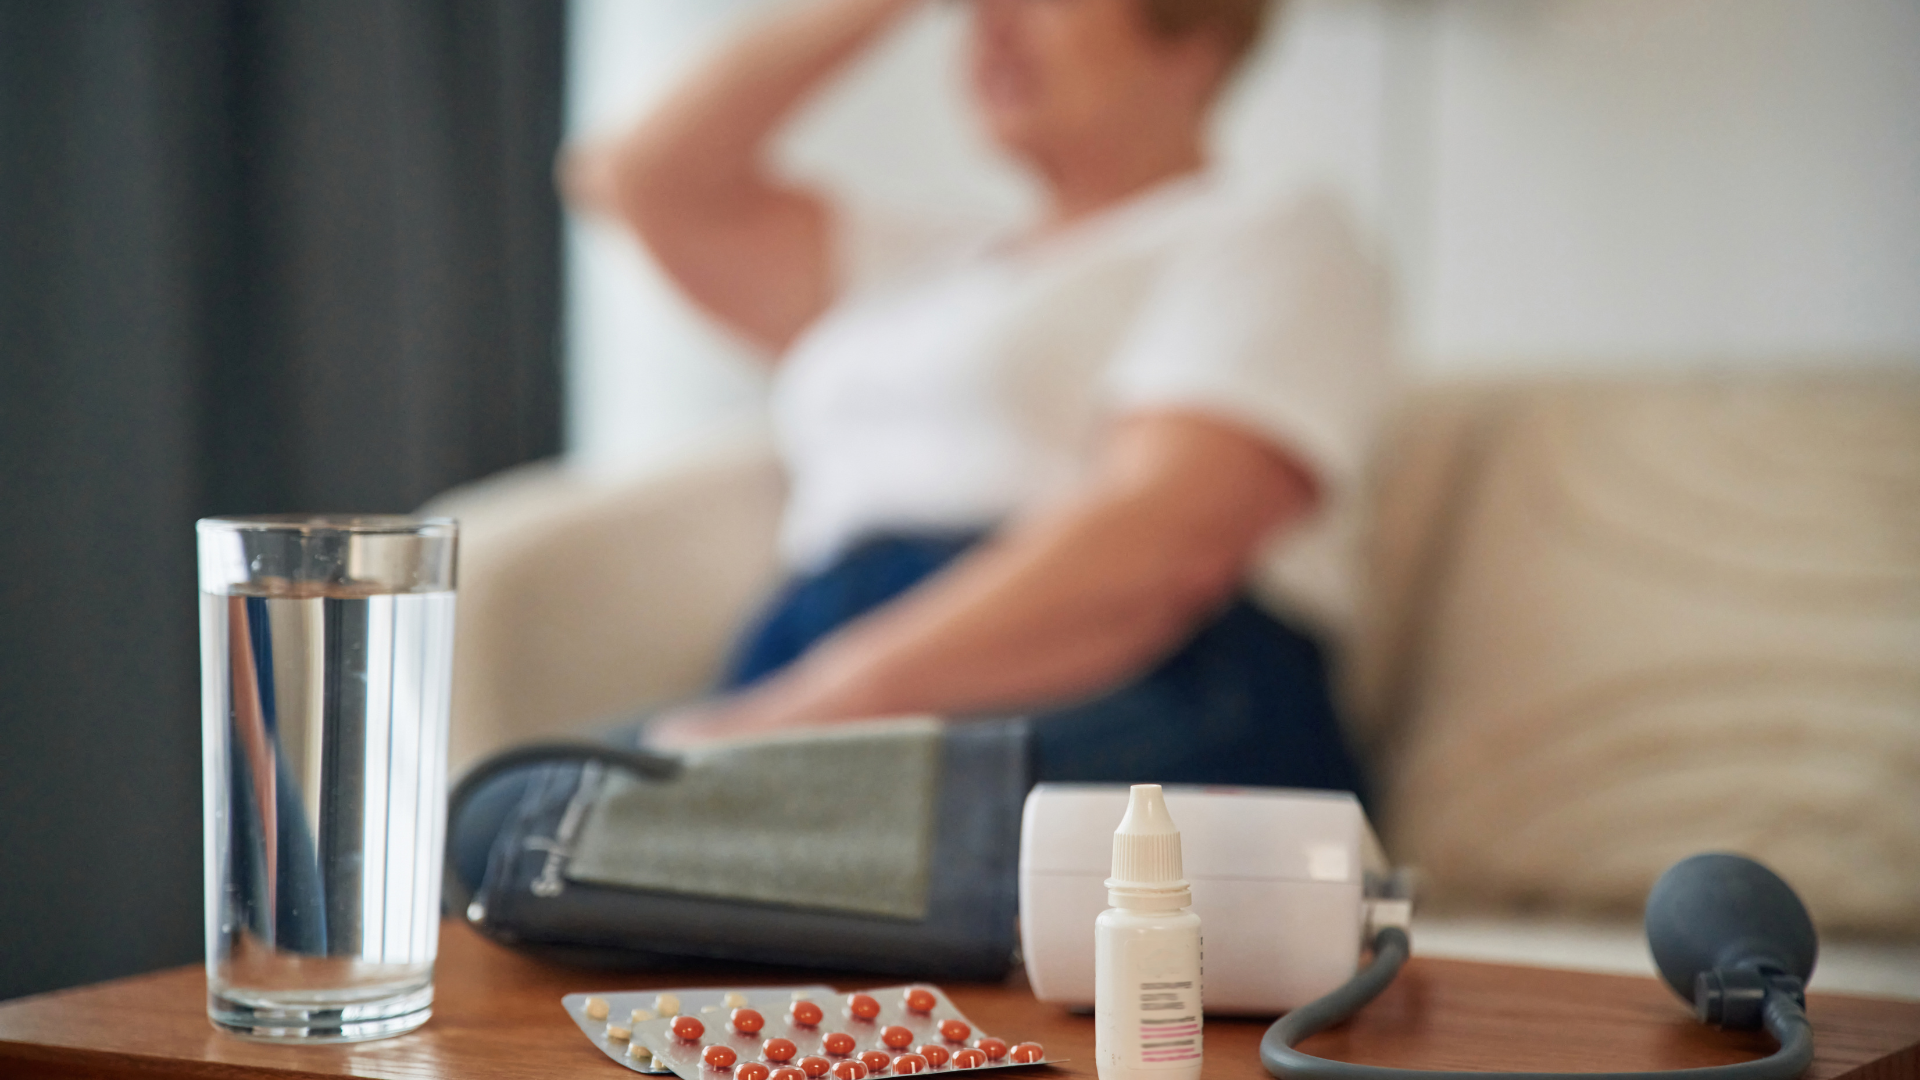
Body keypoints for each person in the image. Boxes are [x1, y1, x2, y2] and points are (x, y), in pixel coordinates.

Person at [561, 0, 1391, 795]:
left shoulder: (1264, 232)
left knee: (602, 826)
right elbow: (642, 177)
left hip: (1131, 680)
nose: (994, 25)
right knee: (522, 810)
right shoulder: (919, 263)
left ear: (1193, 36)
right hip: (834, 660)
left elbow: (1163, 543)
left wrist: (814, 709)